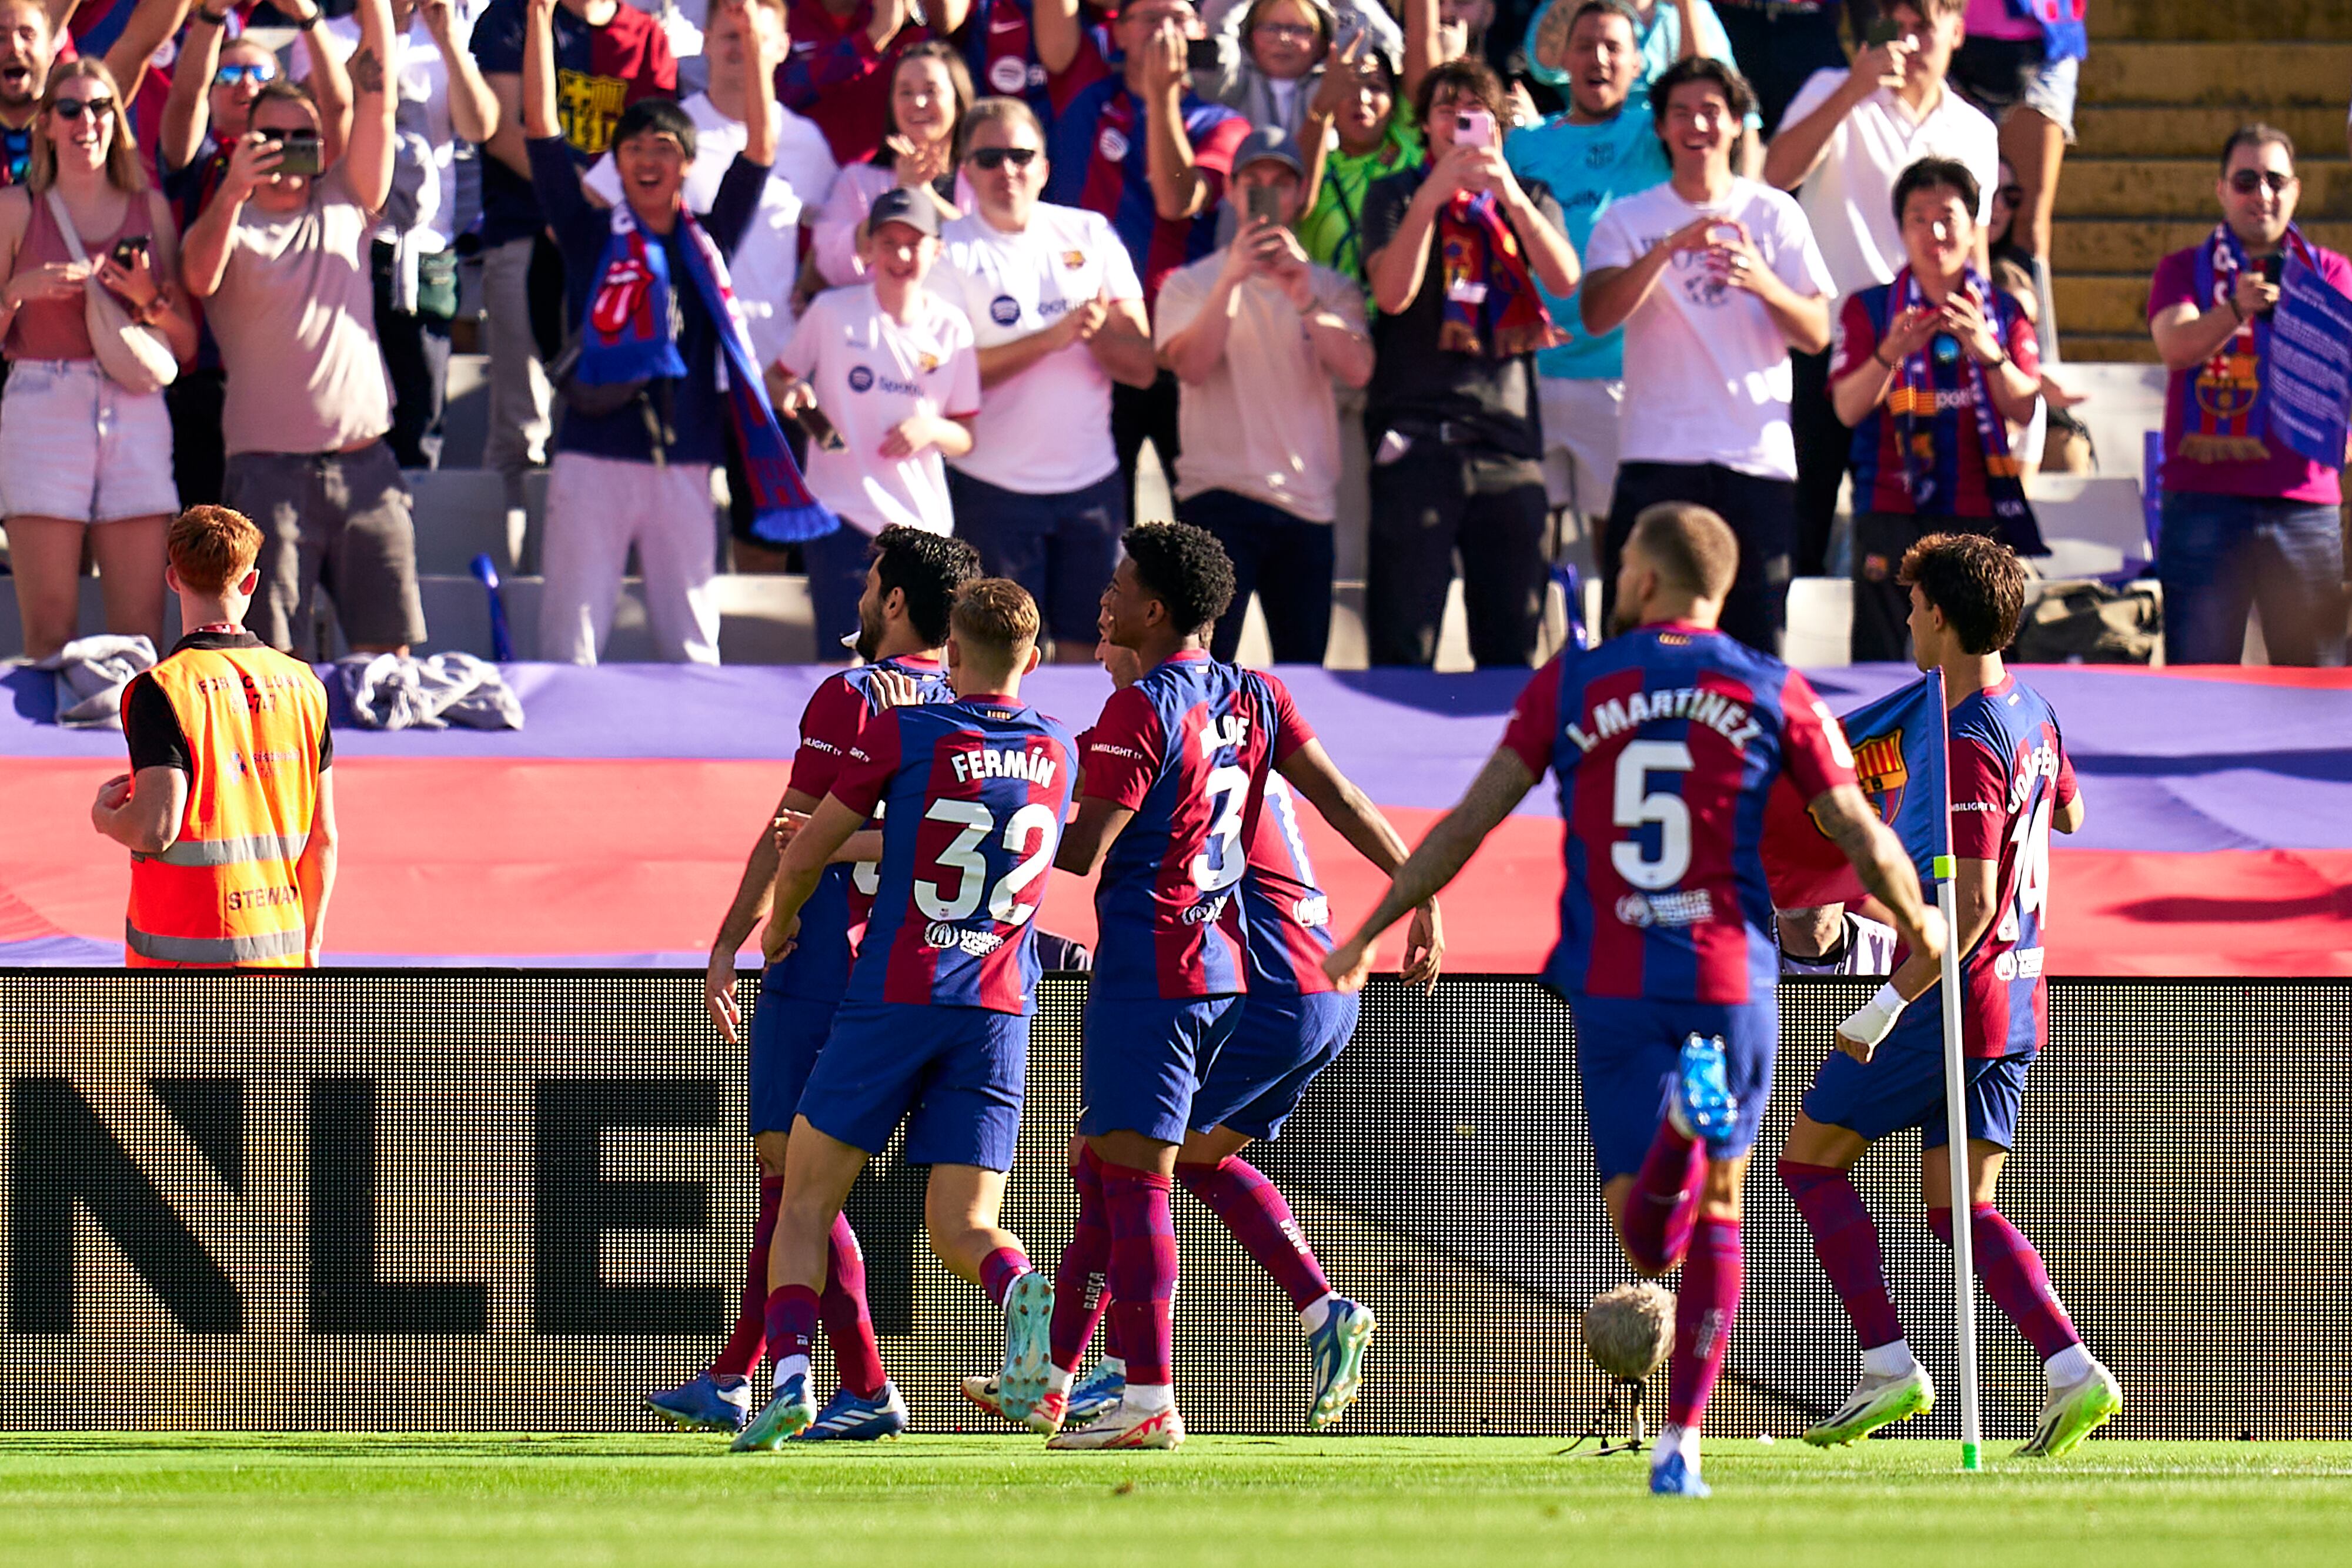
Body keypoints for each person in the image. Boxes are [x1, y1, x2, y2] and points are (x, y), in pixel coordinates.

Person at [1322, 502, 1946, 1498]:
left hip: (1614, 975)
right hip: (1733, 974)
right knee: (1723, 1214)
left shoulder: (1574, 682)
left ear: (1645, 580)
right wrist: (1918, 921)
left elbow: (1471, 819)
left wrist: (1372, 925)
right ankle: (1682, 1445)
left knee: (1646, 1237)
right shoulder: (1774, 688)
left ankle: (1672, 1144)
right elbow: (1855, 826)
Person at [967, 632, 1440, 1435]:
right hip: (1325, 983)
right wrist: (1422, 889)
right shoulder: (1243, 717)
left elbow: (1093, 841)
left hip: (1263, 980)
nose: (1102, 647)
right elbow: (1344, 796)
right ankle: (1310, 1310)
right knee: (1187, 1157)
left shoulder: (1168, 734)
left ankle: (1096, 1379)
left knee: (1117, 1159)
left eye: (1111, 629)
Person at [1778, 530, 2122, 1457]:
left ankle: (1888, 1361)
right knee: (1956, 1208)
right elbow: (2074, 813)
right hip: (2021, 995)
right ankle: (2069, 1366)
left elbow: (1968, 902)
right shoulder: (2036, 711)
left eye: (1915, 604)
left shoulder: (1969, 733)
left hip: (1951, 1001)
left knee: (1809, 1161)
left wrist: (1885, 1001)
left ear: (1941, 614)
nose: (1908, 620)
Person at [730, 576, 1080, 1451]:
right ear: (1033, 661)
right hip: (999, 1005)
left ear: (952, 653)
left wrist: (783, 922)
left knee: (805, 1195)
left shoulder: (908, 725)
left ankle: (791, 1379)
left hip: (897, 987)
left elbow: (804, 842)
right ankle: (1017, 1289)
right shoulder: (1057, 750)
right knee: (962, 1223)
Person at [659, 526, 979, 1439]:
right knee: (799, 1183)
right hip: (925, 964)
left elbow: (794, 827)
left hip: (825, 953)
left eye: (873, 577)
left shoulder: (855, 693)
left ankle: (864, 1383)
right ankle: (733, 1372)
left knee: (790, 1174)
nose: (860, 587)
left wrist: (735, 934)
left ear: (893, 603)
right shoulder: (966, 700)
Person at [523, 0, 795, 665]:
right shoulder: (591, 235)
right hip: (592, 459)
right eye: (634, 149)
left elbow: (761, 147)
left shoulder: (712, 238)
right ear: (616, 165)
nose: (648, 161)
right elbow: (540, 128)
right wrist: (536, 15)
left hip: (686, 463)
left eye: (665, 150)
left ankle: (694, 767)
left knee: (692, 646)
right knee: (569, 642)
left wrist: (757, 48)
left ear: (687, 166)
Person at [183, 0, 429, 661]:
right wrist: (233, 190)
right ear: (241, 142)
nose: (289, 149)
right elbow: (198, 277)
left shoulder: (347, 197)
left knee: (387, 667)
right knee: (267, 666)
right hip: (266, 479)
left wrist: (323, 19)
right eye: (271, 136)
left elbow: (373, 96)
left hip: (366, 466)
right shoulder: (224, 217)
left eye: (303, 136)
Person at [1580, 56, 1834, 658]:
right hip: (1657, 456)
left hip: (1755, 463)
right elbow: (1596, 314)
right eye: (1681, 113)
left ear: (1737, 122)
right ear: (1662, 128)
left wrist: (1762, 282)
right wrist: (1669, 247)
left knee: (1755, 646)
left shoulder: (1775, 213)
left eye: (1711, 112)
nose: (1697, 125)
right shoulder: (1626, 218)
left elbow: (1816, 332)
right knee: (1635, 641)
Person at [1765, 0, 1998, 580]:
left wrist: (1988, 333)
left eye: (1922, 25)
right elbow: (1773, 177)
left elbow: (1978, 248)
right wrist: (1852, 90)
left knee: (1913, 546)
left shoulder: (1976, 129)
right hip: (1828, 347)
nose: (1908, 41)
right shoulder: (1831, 86)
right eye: (1893, 27)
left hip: (1929, 359)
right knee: (1803, 520)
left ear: (1957, 29)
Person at [1361, 56, 1580, 669]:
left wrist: (1505, 191)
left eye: (1474, 110)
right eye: (1444, 109)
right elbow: (1391, 293)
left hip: (1507, 444)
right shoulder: (1396, 192)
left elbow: (1565, 280)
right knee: (1403, 640)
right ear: (1424, 125)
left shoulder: (1529, 195)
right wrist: (1432, 199)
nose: (1459, 120)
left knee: (1511, 643)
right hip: (1416, 439)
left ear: (1497, 125)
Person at [931, 95, 1155, 663]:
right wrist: (1054, 338)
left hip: (1091, 485)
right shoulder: (948, 250)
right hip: (993, 489)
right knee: (999, 657)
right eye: (988, 157)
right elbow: (950, 378)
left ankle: (1083, 754)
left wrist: (1097, 335)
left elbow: (1141, 363)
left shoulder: (1090, 232)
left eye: (1020, 154)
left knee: (1095, 650)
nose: (1007, 169)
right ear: (966, 170)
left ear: (1045, 167)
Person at [0, 59, 199, 661]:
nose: (86, 121)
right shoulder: (16, 208)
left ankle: (137, 758)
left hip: (136, 406)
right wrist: (16, 292)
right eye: (70, 109)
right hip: (43, 402)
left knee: (140, 638)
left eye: (100, 107)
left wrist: (151, 303)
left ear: (117, 118)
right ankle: (44, 759)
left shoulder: (151, 209)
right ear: (48, 125)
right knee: (47, 633)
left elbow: (185, 346)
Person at [1155, 123, 1371, 664]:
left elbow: (1359, 369)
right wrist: (1232, 279)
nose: (1267, 192)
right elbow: (1192, 367)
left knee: (1302, 678)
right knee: (1206, 671)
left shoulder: (1329, 286)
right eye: (1254, 180)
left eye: (1281, 181)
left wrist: (1303, 299)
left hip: (1307, 505)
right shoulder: (1191, 283)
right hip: (1218, 498)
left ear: (1300, 195)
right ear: (1231, 190)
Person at [93, 504, 337, 969]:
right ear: (250, 582)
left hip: (183, 958)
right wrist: (310, 942)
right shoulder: (305, 685)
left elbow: (155, 828)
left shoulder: (163, 689)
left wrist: (105, 817)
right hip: (279, 952)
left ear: (172, 578)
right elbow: (322, 837)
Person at [2146, 126, 2350, 669]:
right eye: (2246, 180)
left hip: (2303, 503)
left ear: (2296, 191)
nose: (2262, 193)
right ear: (2221, 191)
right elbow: (2176, 346)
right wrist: (2235, 310)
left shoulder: (2331, 273)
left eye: (2275, 180)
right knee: (2199, 679)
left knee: (2314, 686)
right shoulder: (2183, 269)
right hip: (2204, 502)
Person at [1041, 0, 1252, 517]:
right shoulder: (1083, 93)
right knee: (1099, 533)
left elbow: (1176, 202)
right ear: (1121, 33)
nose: (1166, 30)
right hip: (1091, 352)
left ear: (1201, 32)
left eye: (1179, 18)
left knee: (1195, 537)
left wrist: (1161, 100)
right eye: (1151, 17)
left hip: (1182, 354)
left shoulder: (1221, 123)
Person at [1829, 157, 2039, 661]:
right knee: (1878, 656)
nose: (1935, 231)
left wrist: (1988, 351)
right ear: (1900, 229)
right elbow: (1847, 409)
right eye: (1918, 218)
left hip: (1976, 513)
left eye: (1948, 216)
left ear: (1974, 228)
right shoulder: (1871, 309)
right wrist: (1889, 352)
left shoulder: (2005, 311)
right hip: (1889, 506)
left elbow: (2026, 408)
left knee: (1977, 656)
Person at [473, 0, 676, 511]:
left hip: (618, 253)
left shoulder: (645, 34)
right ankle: (509, 572)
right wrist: (577, 198)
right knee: (520, 426)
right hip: (525, 233)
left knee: (603, 416)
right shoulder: (510, 17)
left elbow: (663, 140)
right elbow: (500, 133)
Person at [776, 186, 983, 658]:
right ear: (868, 248)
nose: (901, 254)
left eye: (914, 242)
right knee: (841, 660)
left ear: (937, 249)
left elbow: (966, 434)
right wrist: (794, 396)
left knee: (920, 661)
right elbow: (778, 378)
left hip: (921, 526)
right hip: (842, 513)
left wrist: (929, 429)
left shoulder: (952, 327)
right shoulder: (831, 312)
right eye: (887, 241)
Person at [291, 0, 497, 470]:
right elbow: (319, 115)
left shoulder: (452, 31)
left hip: (425, 255)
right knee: (339, 413)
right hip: (345, 249)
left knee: (419, 421)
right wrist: (377, 29)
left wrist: (448, 43)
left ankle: (413, 537)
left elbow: (480, 126)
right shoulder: (326, 34)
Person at [162, 0, 350, 509]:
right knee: (207, 546)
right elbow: (183, 100)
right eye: (228, 73)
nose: (244, 84)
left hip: (287, 377)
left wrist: (310, 20)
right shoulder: (203, 160)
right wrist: (208, 16)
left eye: (258, 73)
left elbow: (339, 110)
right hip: (204, 377)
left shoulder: (308, 163)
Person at [1504, 0, 1673, 559]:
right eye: (1584, 46)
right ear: (1562, 60)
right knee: (1527, 548)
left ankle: (1618, 650)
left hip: (1623, 375)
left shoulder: (1656, 133)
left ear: (1637, 64)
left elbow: (1708, 81)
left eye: (1613, 47)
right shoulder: (1524, 144)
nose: (1598, 59)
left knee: (1619, 548)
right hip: (1532, 373)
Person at [810, 41, 974, 284]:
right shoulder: (857, 180)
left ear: (958, 103)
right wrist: (898, 198)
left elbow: (990, 252)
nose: (918, 102)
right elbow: (830, 263)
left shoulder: (982, 174)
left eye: (931, 91)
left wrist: (924, 194)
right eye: (906, 92)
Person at [1947, 0, 2079, 273]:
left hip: (2046, 40)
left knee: (2028, 223)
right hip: (1947, 34)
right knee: (1951, 211)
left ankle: (2028, 316)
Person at [1195, 0, 1396, 144]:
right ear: (1249, 36)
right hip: (1247, 197)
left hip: (1322, 197)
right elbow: (1216, 27)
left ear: (1323, 42)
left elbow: (1386, 44)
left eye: (1299, 30)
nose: (1283, 38)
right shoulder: (1229, 82)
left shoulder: (1336, 83)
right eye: (1271, 27)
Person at [779, 0, 938, 166]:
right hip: (789, 173)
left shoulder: (908, 28)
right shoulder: (782, 12)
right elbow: (784, 91)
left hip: (883, 180)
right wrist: (872, 38)